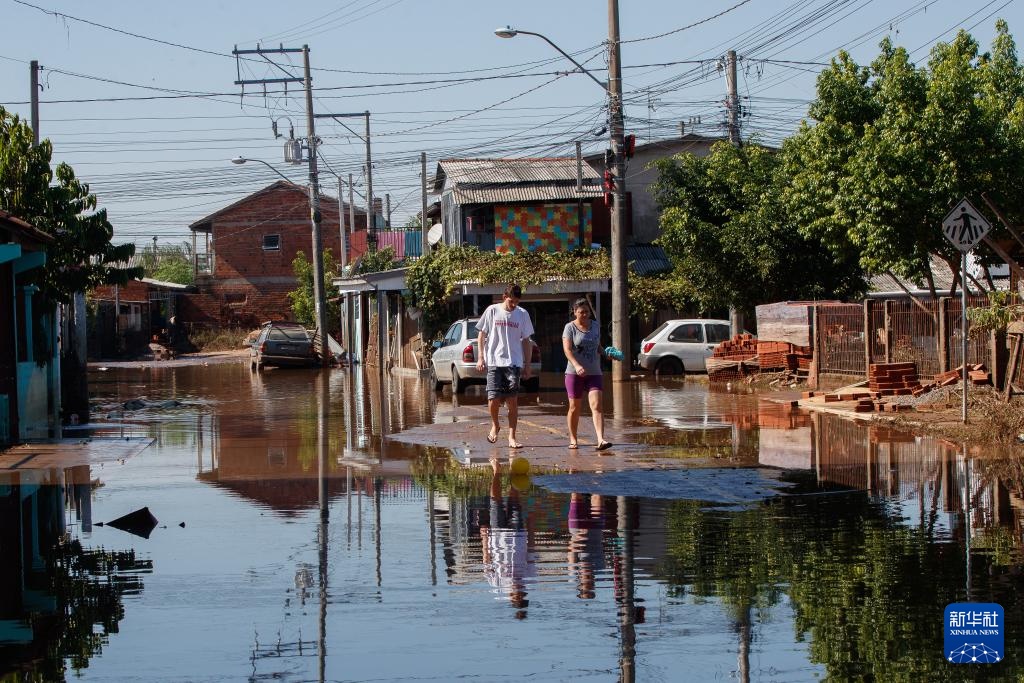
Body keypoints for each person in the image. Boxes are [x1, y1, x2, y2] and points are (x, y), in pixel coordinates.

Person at [476, 284, 535, 448]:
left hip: (513, 362)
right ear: (504, 297)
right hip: (494, 361)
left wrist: (527, 365)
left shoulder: (523, 314)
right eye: (511, 301)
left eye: (516, 302)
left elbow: (526, 341)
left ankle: (512, 437)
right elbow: (481, 335)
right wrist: (481, 357)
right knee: (493, 399)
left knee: (512, 401)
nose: (514, 305)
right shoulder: (492, 311)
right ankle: (495, 425)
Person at [562, 298, 612, 450]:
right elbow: (567, 350)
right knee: (574, 407)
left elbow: (598, 346)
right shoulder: (569, 328)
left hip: (594, 372)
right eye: (581, 312)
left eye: (587, 312)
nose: (584, 315)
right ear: (575, 313)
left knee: (597, 405)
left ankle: (601, 439)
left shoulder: (595, 326)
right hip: (574, 373)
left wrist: (606, 354)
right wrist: (576, 365)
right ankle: (573, 439)